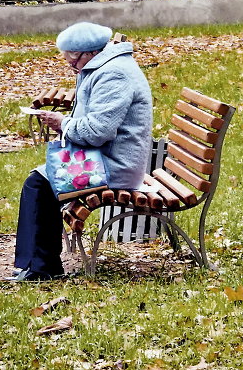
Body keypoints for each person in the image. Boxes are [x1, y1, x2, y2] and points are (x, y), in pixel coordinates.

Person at [8, 22, 153, 281]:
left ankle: (41, 268)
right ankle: (38, 265)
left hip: (117, 165)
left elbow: (98, 132)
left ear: (88, 54)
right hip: (106, 158)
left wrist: (62, 123)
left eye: (73, 62)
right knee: (40, 180)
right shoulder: (103, 66)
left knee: (39, 184)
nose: (73, 68)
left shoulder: (114, 75)